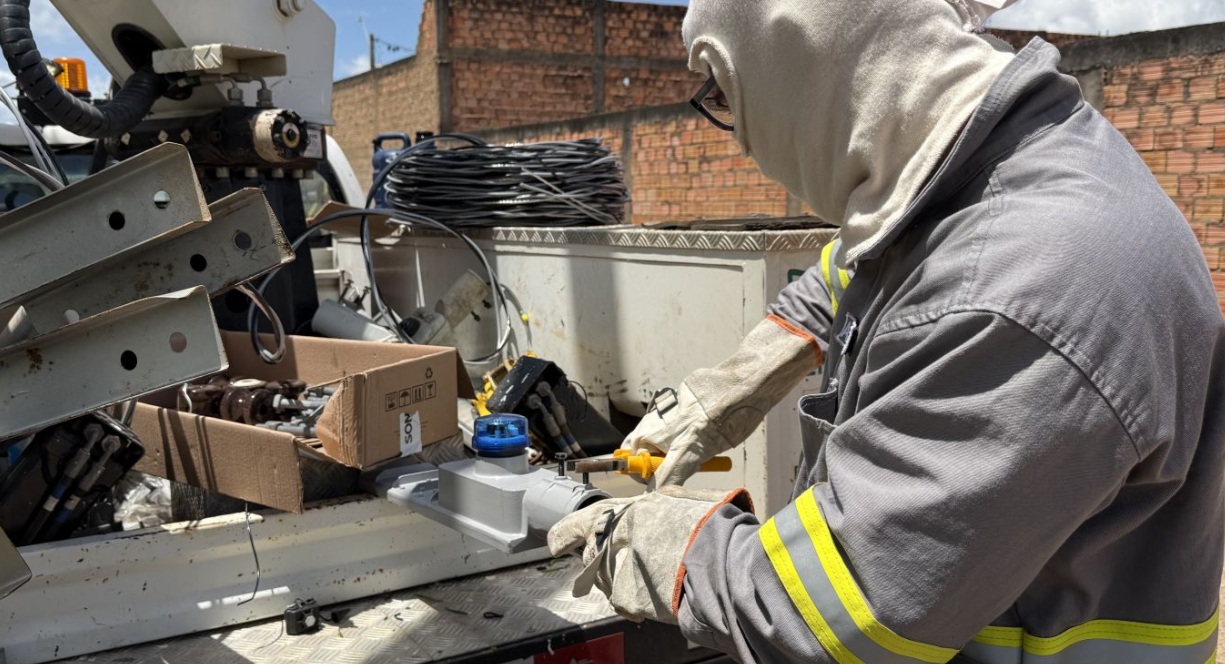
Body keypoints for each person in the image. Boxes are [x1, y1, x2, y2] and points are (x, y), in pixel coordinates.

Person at [547, 0, 1225, 662]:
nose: (744, 141)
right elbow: (861, 264)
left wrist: (660, 542)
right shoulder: (997, 165)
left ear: (798, 72)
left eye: (725, 95)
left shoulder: (1015, 293)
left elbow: (840, 619)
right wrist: (739, 379)